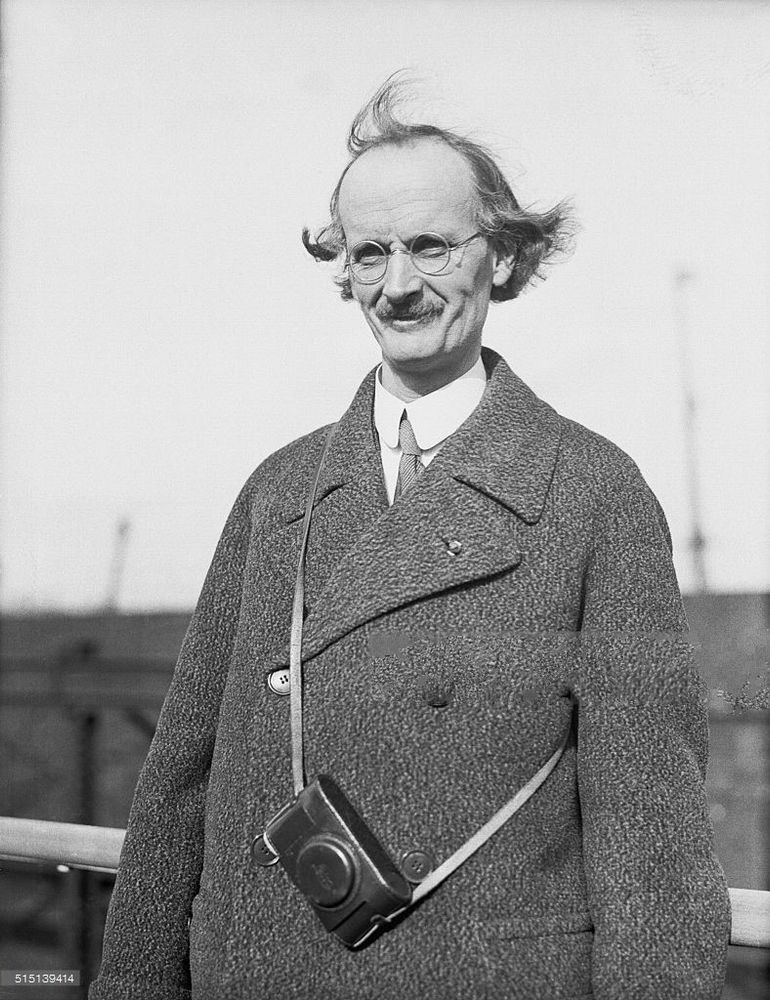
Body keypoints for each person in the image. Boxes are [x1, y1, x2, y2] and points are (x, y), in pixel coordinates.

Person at [90, 77, 730, 1000]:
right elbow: (178, 790)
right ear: (341, 269)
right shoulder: (280, 491)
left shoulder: (592, 492)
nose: (398, 286)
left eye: (430, 246)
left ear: (501, 259)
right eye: (368, 253)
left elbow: (650, 831)